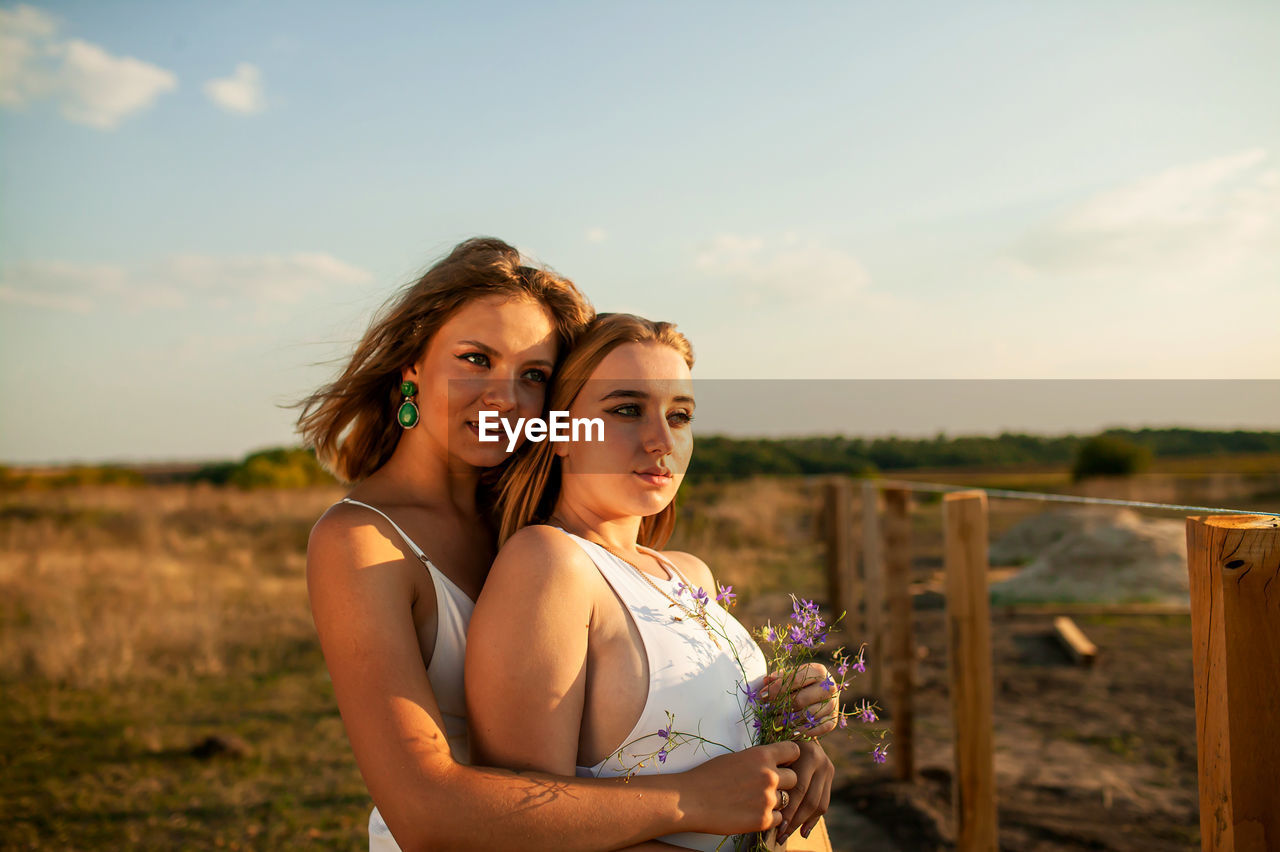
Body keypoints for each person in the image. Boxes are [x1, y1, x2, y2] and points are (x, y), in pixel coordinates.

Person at [299, 239, 810, 852]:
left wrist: (786, 740)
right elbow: (422, 809)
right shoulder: (362, 540)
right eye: (475, 359)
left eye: (534, 376)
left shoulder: (537, 515)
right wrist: (693, 801)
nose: (506, 399)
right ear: (412, 364)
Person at [468, 314, 837, 851]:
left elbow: (723, 751)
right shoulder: (550, 564)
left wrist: (795, 740)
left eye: (680, 416)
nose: (661, 440)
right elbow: (522, 830)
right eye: (626, 410)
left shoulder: (689, 573)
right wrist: (691, 802)